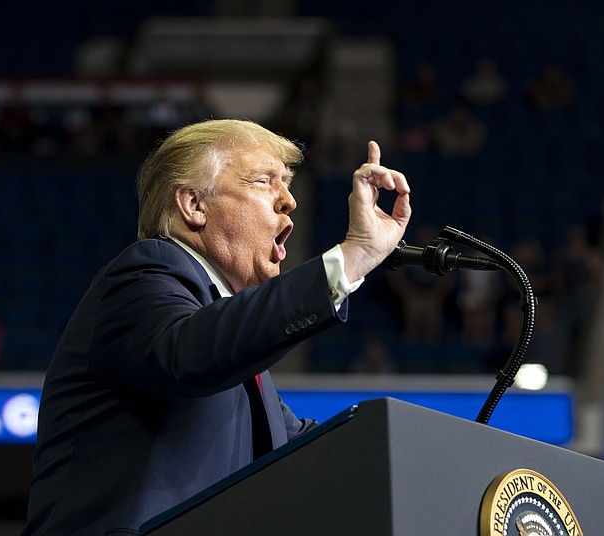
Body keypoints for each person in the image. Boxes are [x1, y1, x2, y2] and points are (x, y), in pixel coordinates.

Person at [22, 119, 412, 534]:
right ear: (194, 205)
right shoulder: (144, 276)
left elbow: (297, 447)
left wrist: (417, 457)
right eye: (265, 182)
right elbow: (192, 351)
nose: (289, 201)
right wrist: (353, 257)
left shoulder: (232, 338)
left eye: (289, 184)